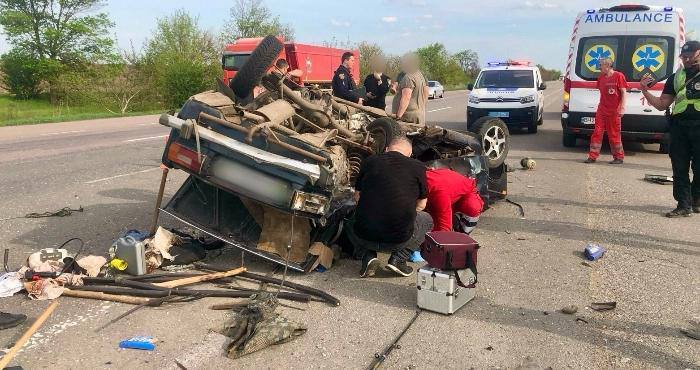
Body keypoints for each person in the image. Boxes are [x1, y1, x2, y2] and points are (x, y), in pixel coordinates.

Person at [346, 135, 433, 277]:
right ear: (410, 154)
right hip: (398, 239)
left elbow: (357, 197)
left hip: (365, 236)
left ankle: (367, 255)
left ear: (387, 149)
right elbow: (422, 204)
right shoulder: (418, 166)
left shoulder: (370, 161)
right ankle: (398, 259)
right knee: (427, 219)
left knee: (348, 216)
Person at [640, 40, 700, 217]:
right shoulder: (677, 77)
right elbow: (661, 104)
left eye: (691, 57)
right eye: (684, 57)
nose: (687, 61)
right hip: (680, 127)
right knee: (679, 167)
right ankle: (683, 205)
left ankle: (696, 199)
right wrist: (644, 90)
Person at [584, 57, 628, 164]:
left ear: (607, 66)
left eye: (600, 65)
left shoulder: (619, 76)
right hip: (602, 110)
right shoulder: (601, 78)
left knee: (614, 134)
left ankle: (618, 157)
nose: (599, 67)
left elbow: (623, 92)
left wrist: (622, 107)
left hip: (614, 111)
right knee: (597, 132)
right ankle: (592, 156)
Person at [424, 168, 484, 234]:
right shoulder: (418, 179)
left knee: (472, 207)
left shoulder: (440, 195)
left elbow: (445, 228)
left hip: (463, 194)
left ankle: (462, 233)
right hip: (443, 189)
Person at [391, 53, 429, 125]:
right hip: (418, 114)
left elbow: (406, 98)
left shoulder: (408, 77)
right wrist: (421, 107)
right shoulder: (420, 74)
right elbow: (426, 92)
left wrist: (398, 117)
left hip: (408, 117)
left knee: (406, 136)